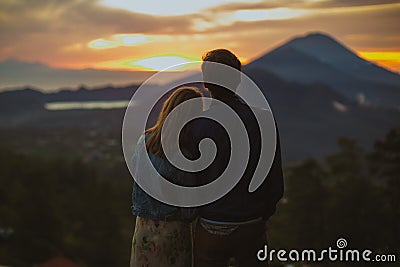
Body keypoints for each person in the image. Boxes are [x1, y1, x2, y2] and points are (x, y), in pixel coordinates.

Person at [190, 49, 284, 267]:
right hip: (251, 222)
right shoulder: (262, 118)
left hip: (211, 223)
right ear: (239, 80)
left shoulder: (197, 124)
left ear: (206, 82)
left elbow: (190, 180)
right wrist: (262, 214)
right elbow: (274, 176)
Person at [130, 86, 203, 267]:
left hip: (143, 228)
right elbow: (189, 210)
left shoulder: (143, 141)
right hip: (173, 230)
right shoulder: (184, 156)